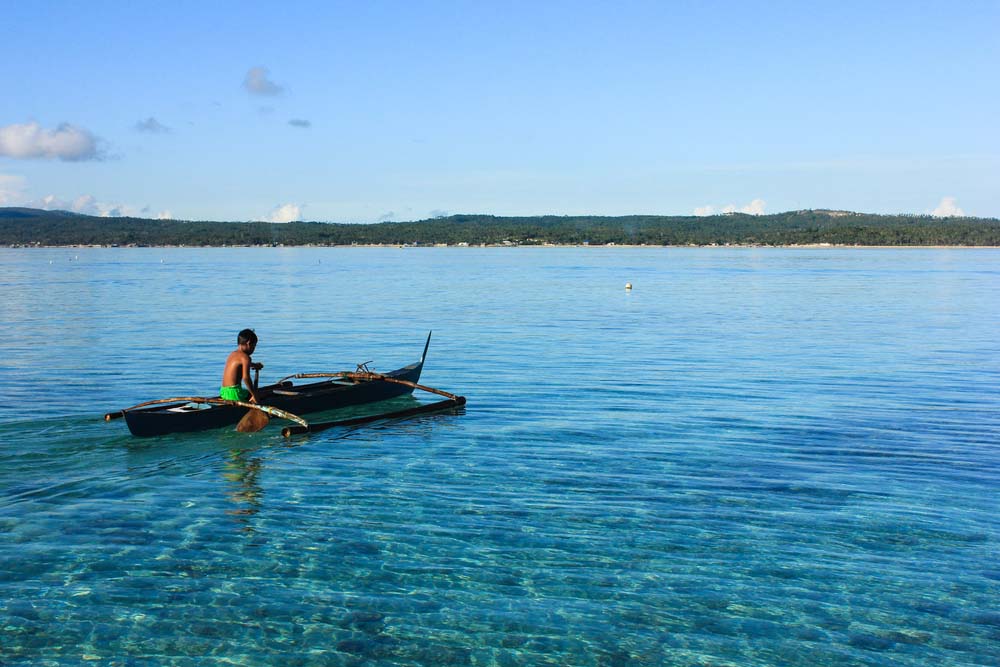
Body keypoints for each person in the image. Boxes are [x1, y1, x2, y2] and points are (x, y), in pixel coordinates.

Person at [220, 329, 264, 403]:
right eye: (254, 346)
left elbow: (240, 364)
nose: (254, 349)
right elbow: (246, 378)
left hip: (224, 392)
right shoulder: (246, 357)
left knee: (252, 393)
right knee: (263, 395)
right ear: (248, 343)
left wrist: (254, 365)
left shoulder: (233, 354)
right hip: (235, 394)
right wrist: (254, 395)